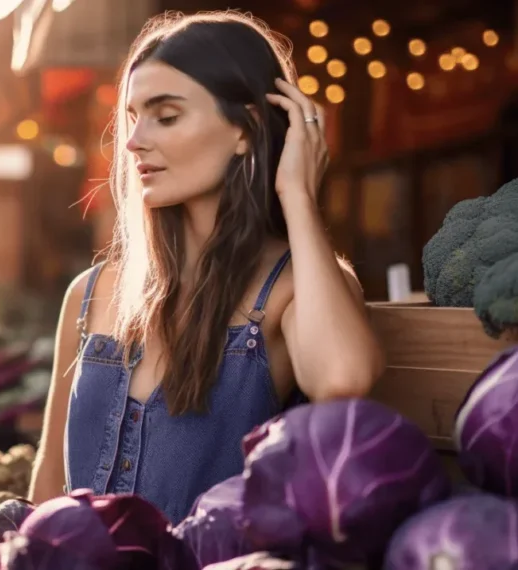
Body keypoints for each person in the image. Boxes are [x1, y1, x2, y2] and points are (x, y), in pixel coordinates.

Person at [28, 10, 385, 524]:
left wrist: (297, 196)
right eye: (133, 117)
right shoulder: (92, 292)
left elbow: (344, 378)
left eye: (166, 116)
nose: (133, 143)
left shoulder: (291, 288)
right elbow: (46, 493)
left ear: (247, 129)